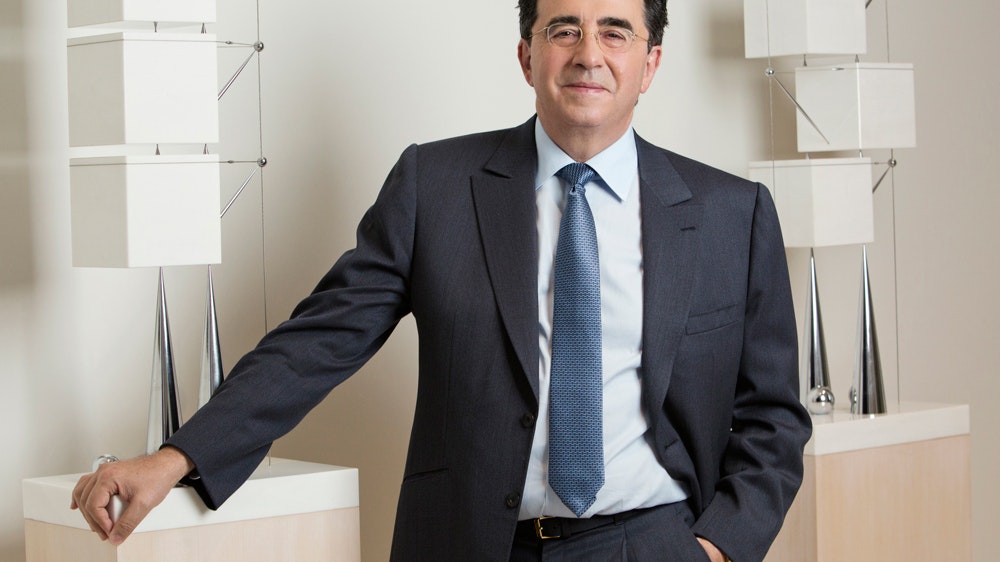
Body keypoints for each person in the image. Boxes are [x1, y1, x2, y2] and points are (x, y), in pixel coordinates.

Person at [72, 0, 812, 560]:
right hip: (469, 541)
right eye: (563, 30)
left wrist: (716, 549)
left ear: (650, 64)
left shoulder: (731, 214)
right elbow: (319, 342)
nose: (589, 54)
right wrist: (177, 457)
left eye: (615, 31)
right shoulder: (437, 186)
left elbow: (773, 418)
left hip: (650, 542)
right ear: (526, 55)